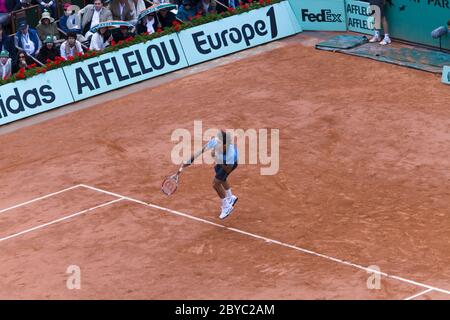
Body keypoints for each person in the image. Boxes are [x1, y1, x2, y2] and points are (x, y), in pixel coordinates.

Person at [182, 130, 239, 219]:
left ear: (225, 146)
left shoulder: (230, 154)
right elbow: (200, 152)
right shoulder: (215, 142)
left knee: (216, 183)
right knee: (218, 173)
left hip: (229, 164)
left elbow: (227, 169)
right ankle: (230, 197)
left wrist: (216, 158)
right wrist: (189, 161)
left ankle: (226, 207)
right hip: (222, 160)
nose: (217, 145)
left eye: (219, 144)